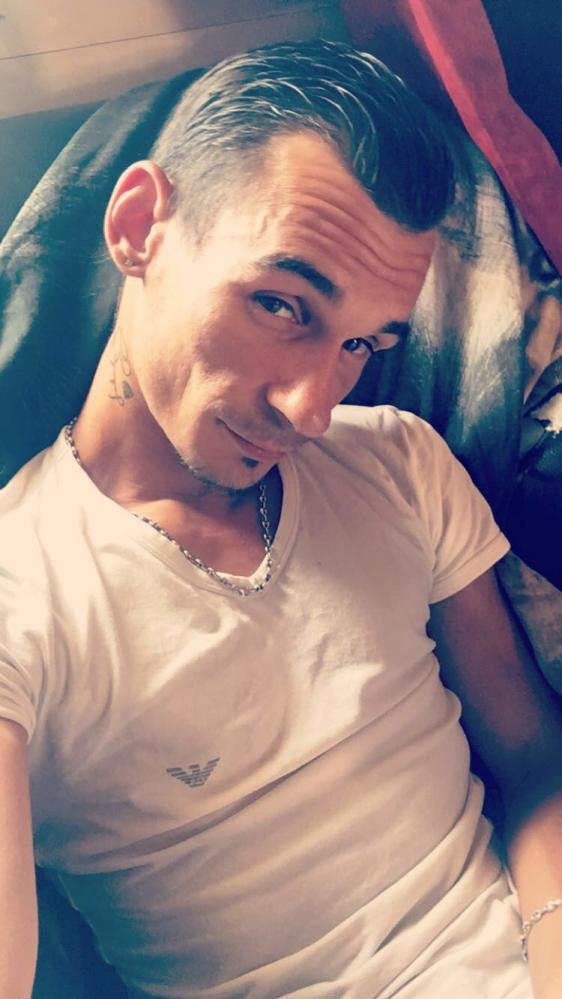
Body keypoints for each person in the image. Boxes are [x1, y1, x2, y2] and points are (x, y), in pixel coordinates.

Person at [1, 38, 561, 999]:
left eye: (360, 345)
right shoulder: (23, 591)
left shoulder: (397, 460)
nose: (311, 409)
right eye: (281, 304)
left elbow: (533, 758)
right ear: (138, 227)